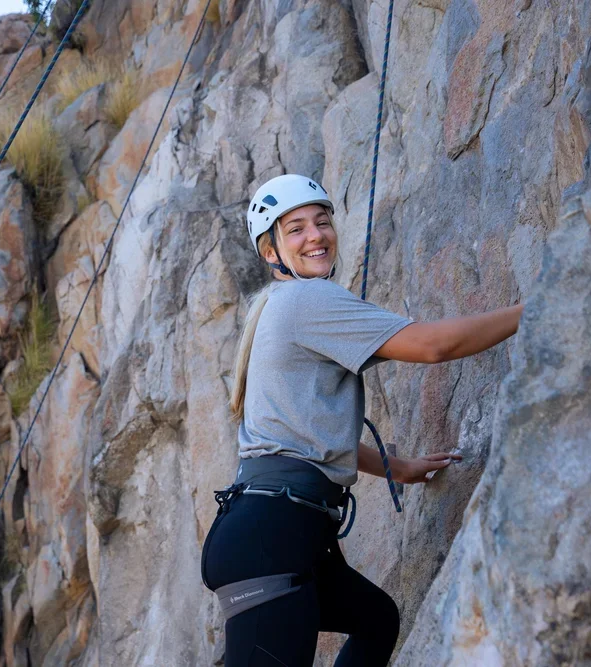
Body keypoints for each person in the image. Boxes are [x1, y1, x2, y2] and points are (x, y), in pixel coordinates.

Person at [200, 174, 523, 666]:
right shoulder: (307, 299)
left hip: (275, 530)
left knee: (376, 619)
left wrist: (401, 467)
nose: (316, 236)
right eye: (296, 229)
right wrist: (532, 307)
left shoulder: (276, 307)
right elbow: (434, 345)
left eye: (322, 222)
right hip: (274, 535)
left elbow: (304, 439)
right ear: (271, 252)